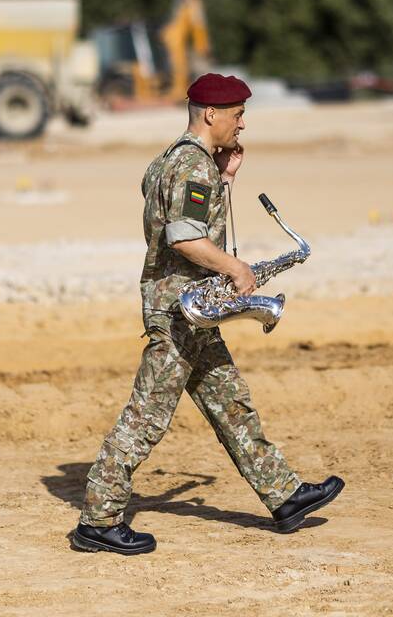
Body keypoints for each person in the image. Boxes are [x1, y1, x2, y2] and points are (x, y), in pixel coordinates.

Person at [72, 73, 343, 555]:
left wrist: (225, 179)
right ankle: (98, 519)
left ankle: (283, 495)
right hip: (181, 310)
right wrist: (235, 267)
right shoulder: (192, 166)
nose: (242, 124)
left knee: (231, 401)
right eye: (237, 115)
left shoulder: (171, 161)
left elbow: (176, 218)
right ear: (211, 114)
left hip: (193, 309)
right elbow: (182, 236)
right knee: (146, 416)